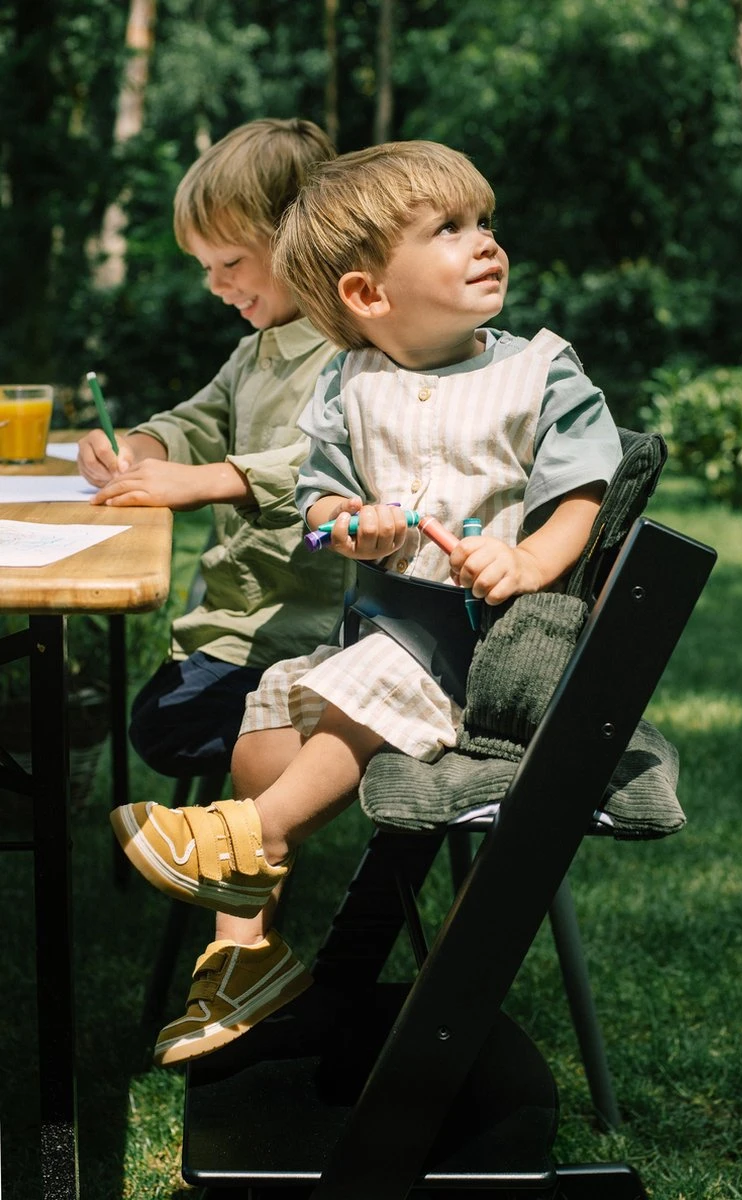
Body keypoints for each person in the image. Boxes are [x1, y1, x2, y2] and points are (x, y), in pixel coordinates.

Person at [111, 139, 623, 1066]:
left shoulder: (540, 371)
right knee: (268, 719)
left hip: (491, 649)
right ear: (367, 296)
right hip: (390, 636)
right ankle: (248, 955)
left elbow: (584, 494)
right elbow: (315, 507)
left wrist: (527, 559)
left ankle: (243, 836)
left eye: (482, 222)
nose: (485, 243)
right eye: (450, 229)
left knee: (367, 684)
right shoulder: (350, 384)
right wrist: (348, 527)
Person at [77, 118, 350, 781]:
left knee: (170, 721)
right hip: (243, 622)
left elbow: (320, 464)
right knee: (162, 715)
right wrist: (140, 444)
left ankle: (259, 841)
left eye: (230, 262)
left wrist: (208, 481)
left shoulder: (355, 348)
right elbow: (198, 417)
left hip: (316, 634)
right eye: (206, 267)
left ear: (302, 240)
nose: (215, 284)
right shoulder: (255, 351)